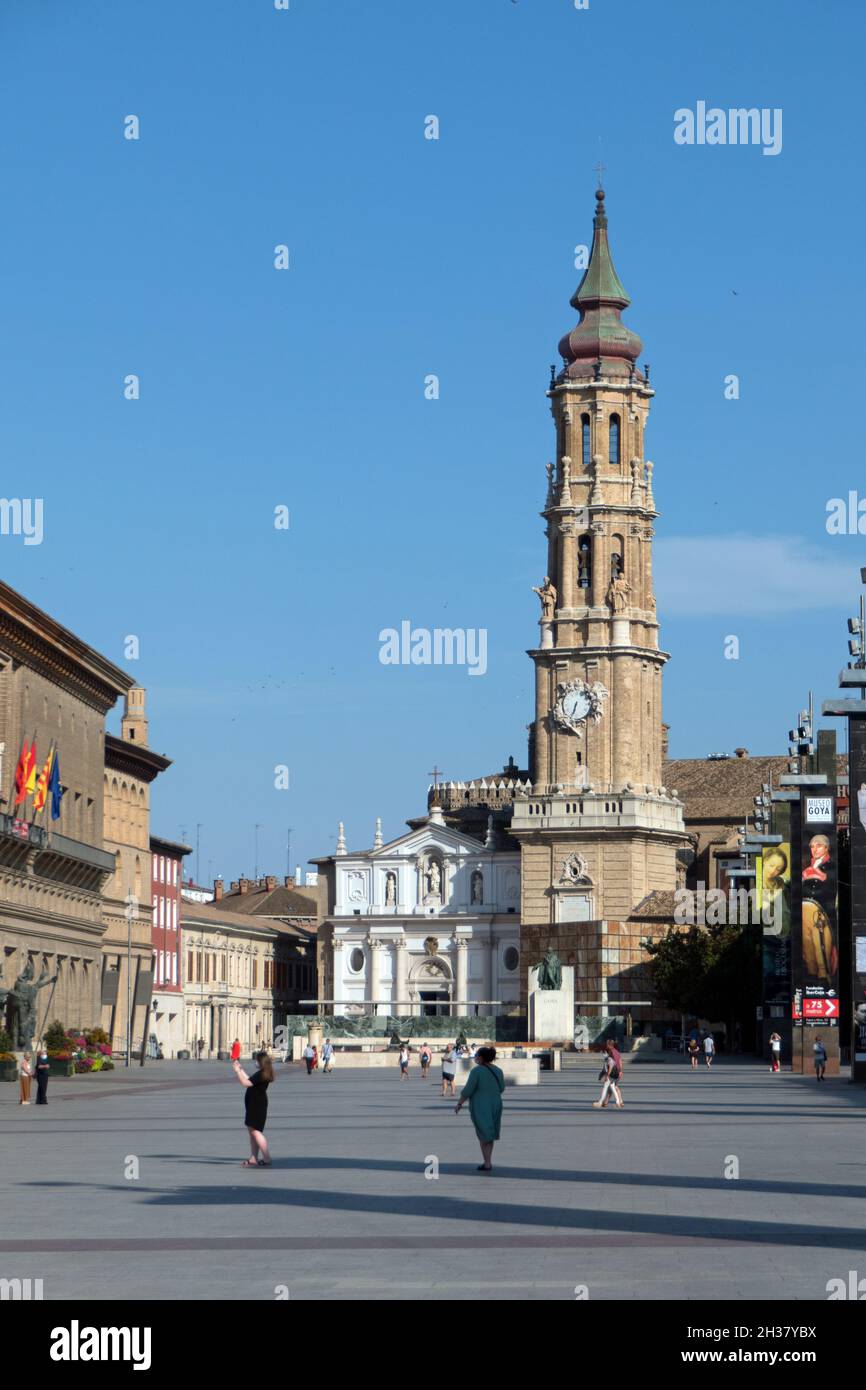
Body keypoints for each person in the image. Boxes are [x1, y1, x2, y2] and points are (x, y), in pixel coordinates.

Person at [455, 1046, 505, 1172]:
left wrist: (459, 1104)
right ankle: (488, 1161)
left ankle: (487, 1163)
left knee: (483, 1135)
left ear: (482, 1058)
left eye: (477, 1055)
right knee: (490, 1134)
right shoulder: (498, 1070)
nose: (475, 1057)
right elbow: (502, 1088)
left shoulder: (476, 1071)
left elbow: (468, 1090)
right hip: (496, 1104)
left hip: (481, 1105)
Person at [233, 1051, 273, 1167]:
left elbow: (246, 1083)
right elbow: (250, 1079)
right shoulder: (262, 1073)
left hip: (256, 1105)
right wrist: (240, 1070)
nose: (255, 1062)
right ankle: (253, 1158)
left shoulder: (262, 1074)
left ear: (261, 1062)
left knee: (256, 1132)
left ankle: (266, 1158)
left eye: (257, 1060)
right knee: (253, 1132)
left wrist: (237, 1072)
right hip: (255, 1104)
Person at [592, 1041, 623, 1108]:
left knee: (606, 1087)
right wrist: (620, 1071)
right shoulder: (616, 1052)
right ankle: (618, 1102)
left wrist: (607, 1075)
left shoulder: (611, 1054)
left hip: (612, 1073)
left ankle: (600, 1102)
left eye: (607, 1045)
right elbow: (620, 1061)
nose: (606, 1046)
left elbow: (610, 1066)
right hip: (617, 1073)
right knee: (613, 1087)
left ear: (609, 1045)